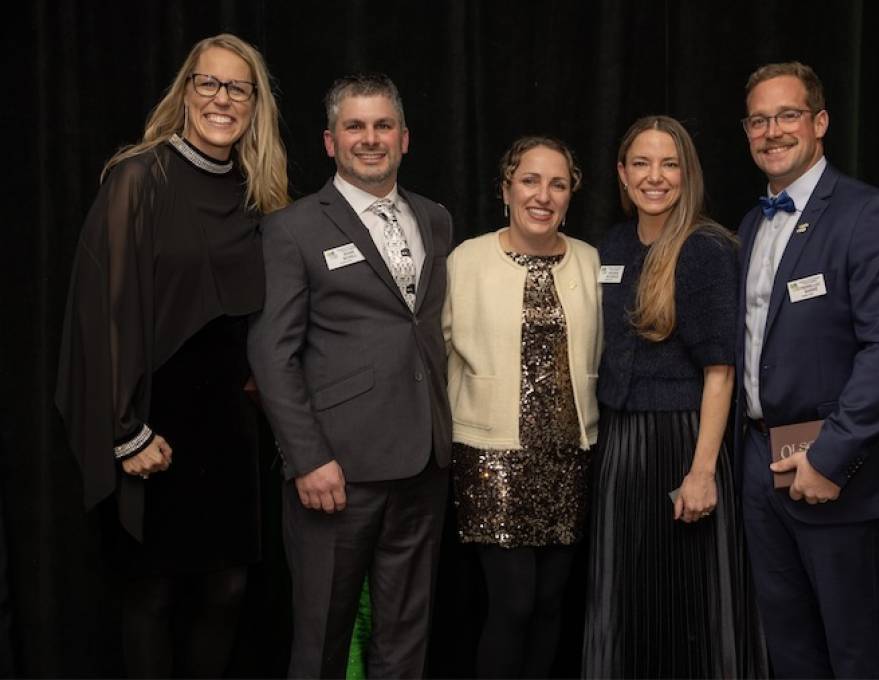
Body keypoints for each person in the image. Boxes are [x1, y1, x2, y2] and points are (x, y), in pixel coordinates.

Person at [55, 33, 289, 677]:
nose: (222, 98)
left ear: (254, 103)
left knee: (227, 591)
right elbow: (98, 310)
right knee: (151, 594)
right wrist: (126, 432)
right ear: (186, 92)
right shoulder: (140, 177)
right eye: (207, 83)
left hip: (227, 428)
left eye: (237, 87)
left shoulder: (255, 193)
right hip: (152, 417)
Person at [246, 73, 453, 679]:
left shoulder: (436, 219)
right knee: (322, 642)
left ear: (405, 138)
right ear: (330, 142)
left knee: (405, 641)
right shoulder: (293, 228)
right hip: (336, 472)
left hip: (423, 464)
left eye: (383, 125)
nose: (371, 138)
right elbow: (270, 354)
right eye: (355, 126)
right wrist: (306, 459)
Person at [734, 61, 879, 677]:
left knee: (854, 647)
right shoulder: (749, 226)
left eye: (787, 115)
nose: (773, 131)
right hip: (761, 465)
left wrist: (829, 457)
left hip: (834, 466)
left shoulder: (874, 216)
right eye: (759, 120)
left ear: (819, 122)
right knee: (788, 645)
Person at [583, 115, 768, 678]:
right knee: (626, 598)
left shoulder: (706, 248)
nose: (654, 177)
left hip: (683, 442)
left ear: (687, 175)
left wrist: (703, 472)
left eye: (669, 164)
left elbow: (721, 372)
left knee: (690, 601)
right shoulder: (610, 245)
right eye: (641, 163)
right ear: (622, 173)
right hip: (620, 444)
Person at [442, 136, 601, 678]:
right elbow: (438, 355)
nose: (543, 194)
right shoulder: (466, 259)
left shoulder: (589, 260)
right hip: (492, 459)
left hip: (567, 460)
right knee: (512, 604)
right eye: (530, 180)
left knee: (552, 604)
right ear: (506, 188)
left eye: (558, 184)